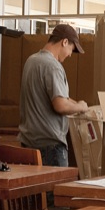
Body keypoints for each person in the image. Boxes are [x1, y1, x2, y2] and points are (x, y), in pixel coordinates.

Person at [19, 23, 88, 169]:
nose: (70, 54)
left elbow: (57, 97)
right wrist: (81, 107)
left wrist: (76, 103)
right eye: (71, 49)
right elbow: (60, 105)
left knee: (34, 192)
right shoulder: (53, 66)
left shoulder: (31, 61)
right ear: (64, 42)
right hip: (50, 148)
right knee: (53, 192)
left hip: (28, 146)